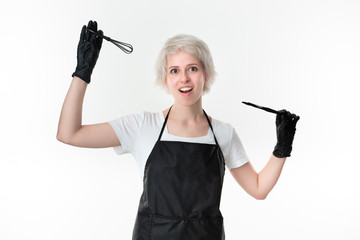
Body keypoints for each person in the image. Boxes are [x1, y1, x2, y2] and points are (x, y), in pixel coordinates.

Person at [57, 20, 299, 240]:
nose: (184, 78)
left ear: (205, 74)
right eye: (174, 71)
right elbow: (69, 134)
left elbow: (258, 188)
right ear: (165, 79)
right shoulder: (142, 126)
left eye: (192, 69)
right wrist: (82, 73)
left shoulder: (224, 133)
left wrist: (282, 147)